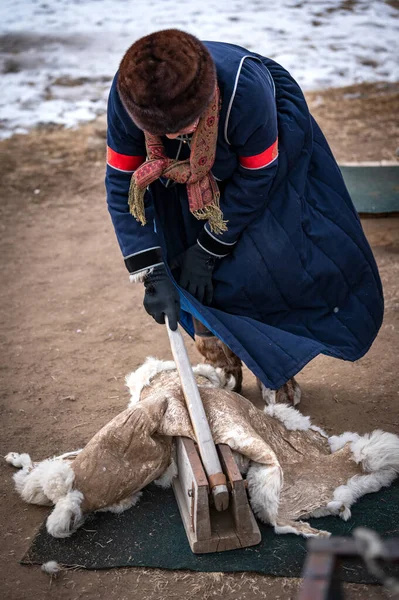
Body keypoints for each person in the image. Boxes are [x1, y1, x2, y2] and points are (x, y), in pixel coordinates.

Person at [105, 29, 383, 400]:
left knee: (264, 253)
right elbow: (123, 182)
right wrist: (151, 273)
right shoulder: (129, 99)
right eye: (163, 131)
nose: (175, 137)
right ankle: (218, 355)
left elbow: (258, 177)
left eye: (184, 126)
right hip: (174, 171)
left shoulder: (245, 90)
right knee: (177, 250)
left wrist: (209, 250)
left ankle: (275, 367)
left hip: (259, 155)